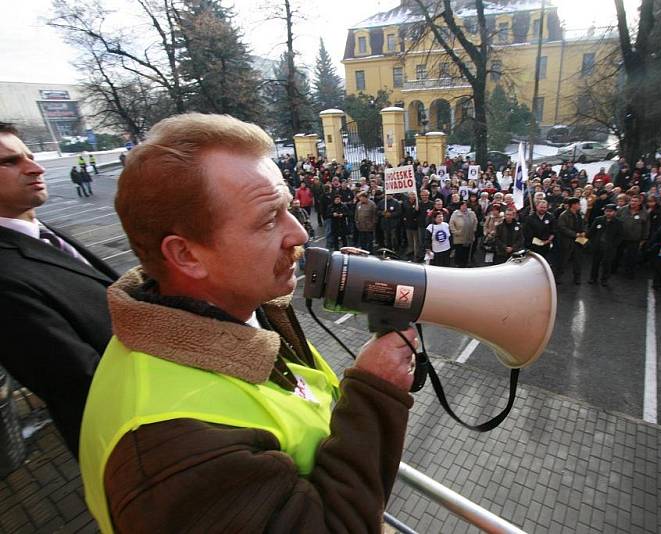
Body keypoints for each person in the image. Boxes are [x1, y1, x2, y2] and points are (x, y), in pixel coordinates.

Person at [80, 113, 416, 532]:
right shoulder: (171, 454)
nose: (300, 234)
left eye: (289, 209)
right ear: (186, 255)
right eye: (268, 219)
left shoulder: (248, 307)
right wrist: (375, 391)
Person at [0, 122, 117, 457]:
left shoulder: (36, 230)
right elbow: (80, 381)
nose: (35, 168)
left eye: (30, 156)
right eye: (10, 162)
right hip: (126, 434)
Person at [587, 204, 623, 287]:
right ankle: (593, 278)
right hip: (598, 245)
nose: (608, 213)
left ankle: (604, 279)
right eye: (607, 211)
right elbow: (591, 232)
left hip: (610, 247)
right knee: (595, 263)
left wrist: (614, 245)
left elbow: (620, 236)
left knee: (607, 264)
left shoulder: (618, 222)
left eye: (610, 211)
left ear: (615, 212)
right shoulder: (598, 219)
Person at [557, 197, 586, 284]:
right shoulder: (564, 215)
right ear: (573, 205)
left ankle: (577, 277)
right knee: (563, 260)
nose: (579, 205)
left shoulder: (579, 214)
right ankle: (558, 276)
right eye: (578, 204)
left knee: (578, 260)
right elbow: (562, 228)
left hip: (578, 240)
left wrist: (584, 232)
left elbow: (583, 224)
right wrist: (574, 234)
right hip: (567, 241)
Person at [449, 200, 478, 267]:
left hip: (469, 236)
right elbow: (451, 224)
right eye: (462, 205)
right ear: (460, 206)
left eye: (465, 205)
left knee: (467, 251)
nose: (464, 207)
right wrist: (455, 232)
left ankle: (466, 263)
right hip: (459, 237)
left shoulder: (471, 213)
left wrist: (473, 229)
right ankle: (458, 264)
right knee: (459, 252)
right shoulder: (455, 214)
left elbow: (475, 221)